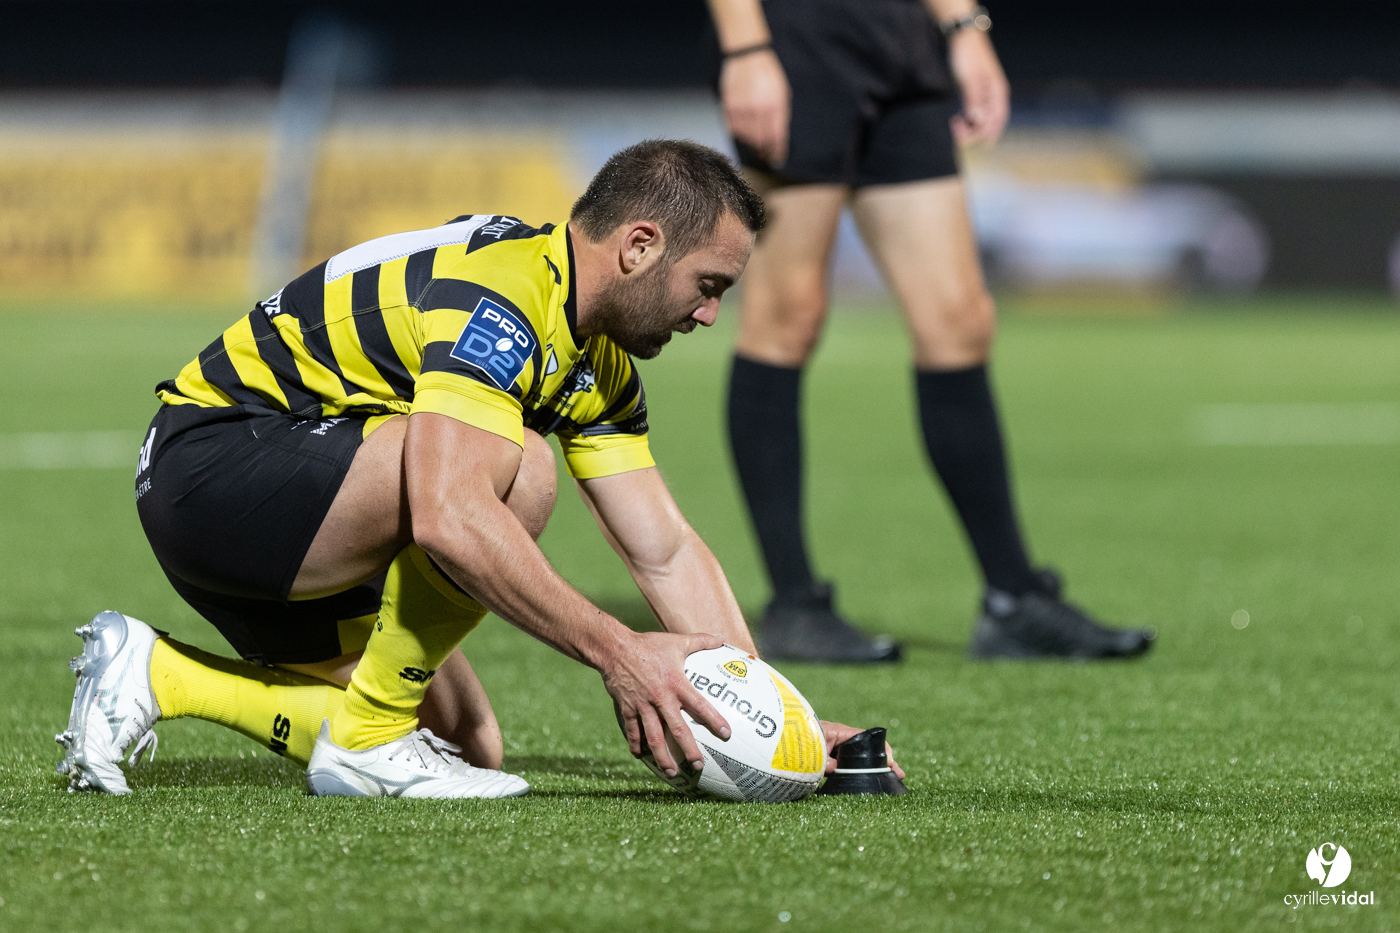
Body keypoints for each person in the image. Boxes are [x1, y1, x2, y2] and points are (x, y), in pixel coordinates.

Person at [56, 140, 900, 798]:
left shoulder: (597, 359)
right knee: (519, 469)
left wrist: (778, 718)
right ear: (640, 246)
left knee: (462, 746)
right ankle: (371, 736)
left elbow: (665, 550)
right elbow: (449, 515)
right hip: (214, 467)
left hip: (291, 494)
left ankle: (159, 673)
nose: (711, 314)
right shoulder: (500, 295)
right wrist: (619, 652)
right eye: (708, 284)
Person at [705, 0, 1155, 662]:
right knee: (786, 315)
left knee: (959, 319)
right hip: (801, 37)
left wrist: (963, 28)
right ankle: (794, 604)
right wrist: (746, 48)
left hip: (901, 43)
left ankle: (1013, 600)